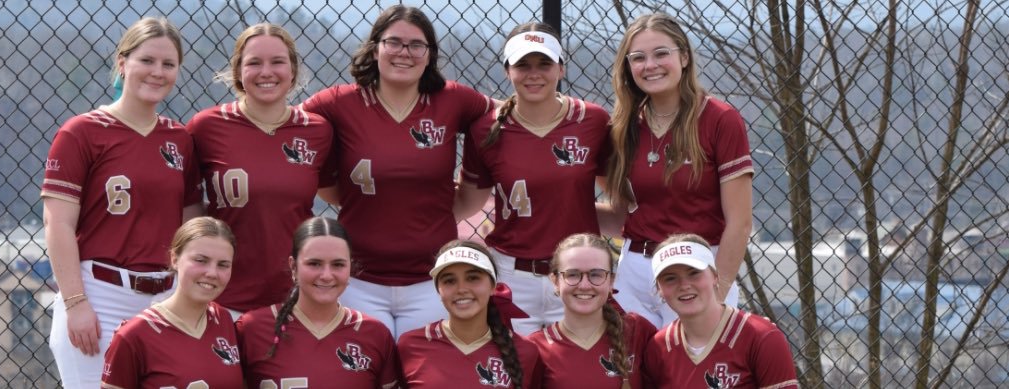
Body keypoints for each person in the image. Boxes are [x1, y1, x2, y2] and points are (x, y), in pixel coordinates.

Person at [301, 5, 494, 338]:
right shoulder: (338, 102)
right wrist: (353, 192)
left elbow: (505, 114)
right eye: (394, 42)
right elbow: (286, 125)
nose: (404, 53)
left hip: (433, 278)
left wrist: (437, 205)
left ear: (430, 55)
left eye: (417, 45)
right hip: (358, 279)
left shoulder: (453, 99)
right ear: (375, 48)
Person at [41, 16, 201, 388]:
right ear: (122, 62)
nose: (157, 72)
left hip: (167, 296)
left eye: (168, 64)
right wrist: (75, 302)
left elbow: (192, 221)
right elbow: (58, 224)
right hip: (100, 294)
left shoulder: (180, 139)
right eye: (146, 60)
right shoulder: (82, 132)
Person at [454, 22, 612, 334]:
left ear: (561, 69)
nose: (534, 73)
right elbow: (468, 201)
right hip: (511, 275)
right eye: (523, 65)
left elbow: (617, 203)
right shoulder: (486, 129)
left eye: (544, 63)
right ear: (507, 70)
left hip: (578, 275)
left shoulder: (592, 121)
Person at [601, 12, 754, 328]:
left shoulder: (719, 119)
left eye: (661, 54)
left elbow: (739, 223)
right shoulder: (624, 126)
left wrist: (717, 294)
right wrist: (557, 207)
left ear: (684, 57)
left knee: (689, 375)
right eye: (638, 58)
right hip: (635, 273)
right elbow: (622, 216)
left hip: (694, 273)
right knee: (634, 375)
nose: (650, 65)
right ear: (628, 67)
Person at [188, 23, 332, 317]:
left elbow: (334, 194)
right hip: (222, 294)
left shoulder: (317, 131)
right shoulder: (206, 127)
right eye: (254, 63)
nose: (266, 72)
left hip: (296, 297)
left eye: (277, 62)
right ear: (238, 71)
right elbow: (187, 207)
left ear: (293, 70)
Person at [235, 216, 400, 388]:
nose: (326, 275)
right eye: (314, 263)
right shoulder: (252, 328)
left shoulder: (375, 334)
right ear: (293, 267)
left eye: (338, 264)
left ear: (350, 267)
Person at [101, 217, 243, 388]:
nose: (212, 273)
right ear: (175, 259)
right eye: (200, 260)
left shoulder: (224, 319)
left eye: (223, 264)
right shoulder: (133, 336)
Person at [642, 234, 799, 388]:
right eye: (670, 278)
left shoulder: (762, 337)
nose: (684, 285)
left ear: (715, 276)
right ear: (659, 289)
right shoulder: (658, 348)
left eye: (694, 273)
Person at [398, 240, 542, 389]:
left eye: (473, 278)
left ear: (493, 285)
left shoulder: (526, 351)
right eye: (449, 280)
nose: (461, 289)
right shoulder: (410, 345)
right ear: (438, 290)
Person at [528, 233, 656, 388]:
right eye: (573, 275)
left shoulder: (636, 330)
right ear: (555, 281)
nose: (584, 285)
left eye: (596, 275)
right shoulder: (536, 347)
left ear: (611, 281)